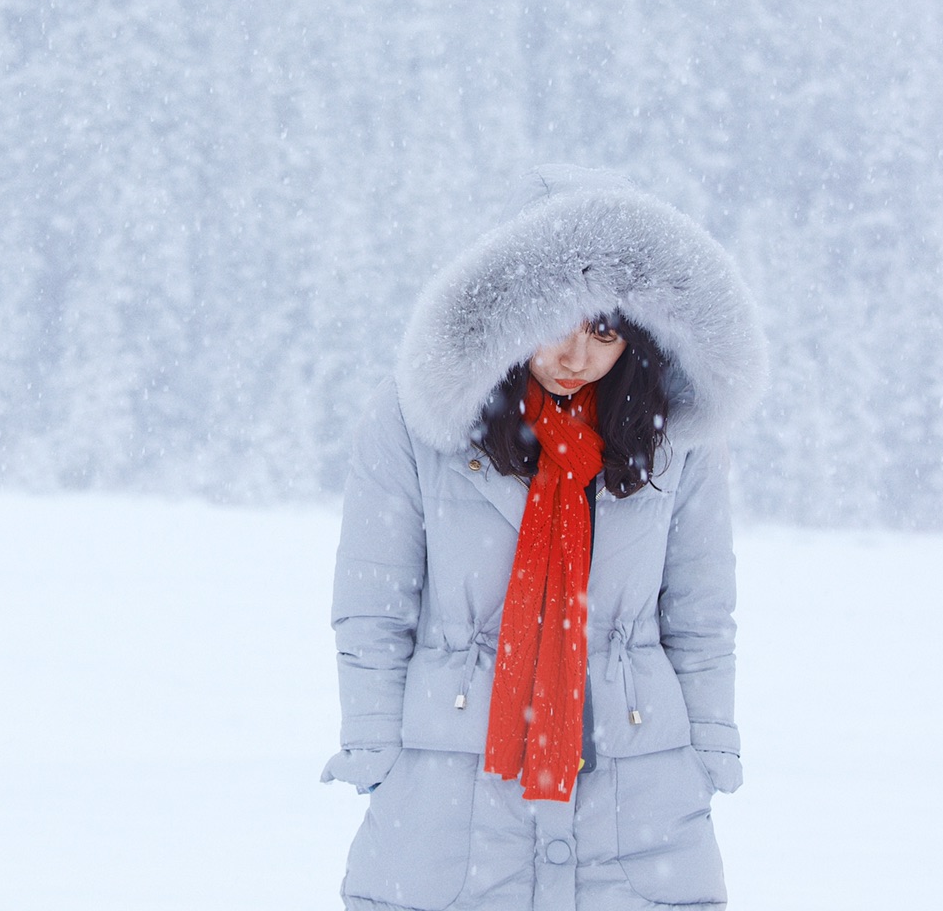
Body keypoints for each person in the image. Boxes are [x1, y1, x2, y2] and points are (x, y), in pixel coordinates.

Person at [322, 165, 767, 911]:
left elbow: (699, 611)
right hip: (450, 795)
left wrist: (706, 748)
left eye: (603, 330)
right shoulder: (416, 421)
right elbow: (373, 602)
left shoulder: (677, 440)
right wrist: (376, 749)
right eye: (556, 321)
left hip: (638, 794)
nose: (576, 356)